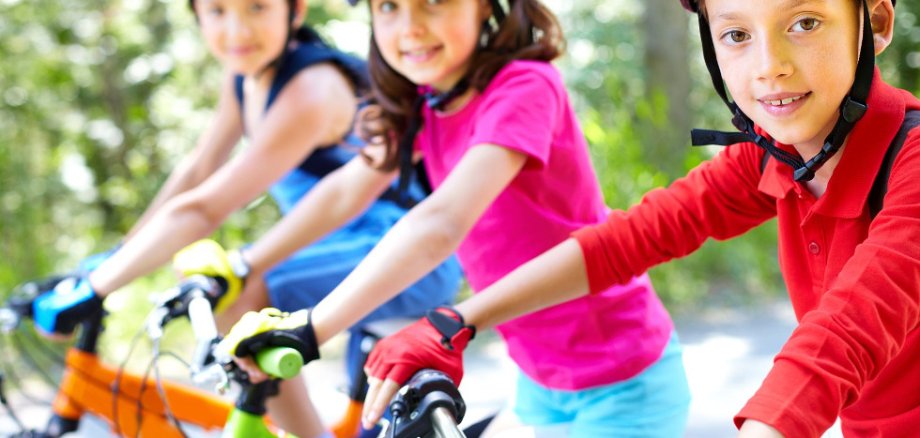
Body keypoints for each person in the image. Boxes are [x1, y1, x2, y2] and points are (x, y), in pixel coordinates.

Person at [363, 0, 920, 436]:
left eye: (804, 23)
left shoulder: (911, 162)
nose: (769, 66)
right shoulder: (777, 154)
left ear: (874, 24)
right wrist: (456, 321)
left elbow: (848, 331)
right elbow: (628, 239)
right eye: (736, 35)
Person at [216, 0, 692, 436]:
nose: (411, 26)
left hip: (622, 376)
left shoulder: (525, 85)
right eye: (389, 6)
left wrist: (314, 326)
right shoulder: (426, 100)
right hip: (538, 379)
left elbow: (442, 221)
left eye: (434, 1)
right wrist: (245, 264)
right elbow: (344, 191)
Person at [30, 0, 463, 435]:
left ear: (295, 12)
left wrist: (97, 285)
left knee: (242, 293)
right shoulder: (246, 76)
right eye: (217, 10)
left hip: (401, 253)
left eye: (257, 7)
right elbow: (199, 171)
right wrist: (114, 259)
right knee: (236, 289)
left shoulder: (310, 90)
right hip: (333, 251)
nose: (237, 30)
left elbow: (208, 207)